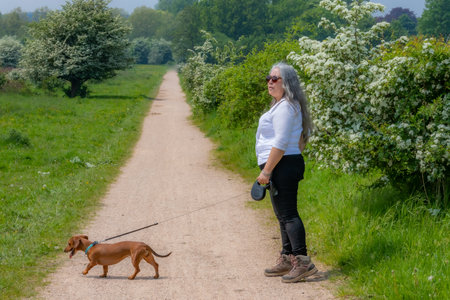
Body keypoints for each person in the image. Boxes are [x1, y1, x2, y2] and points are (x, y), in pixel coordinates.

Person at [255, 62, 317, 283]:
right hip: (285, 164)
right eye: (268, 78)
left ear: (287, 83)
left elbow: (281, 142)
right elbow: (299, 141)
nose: (270, 82)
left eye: (275, 79)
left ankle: (302, 262)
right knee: (282, 215)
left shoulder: (286, 107)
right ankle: (287, 257)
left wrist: (268, 171)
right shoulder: (284, 106)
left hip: (281, 165)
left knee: (288, 214)